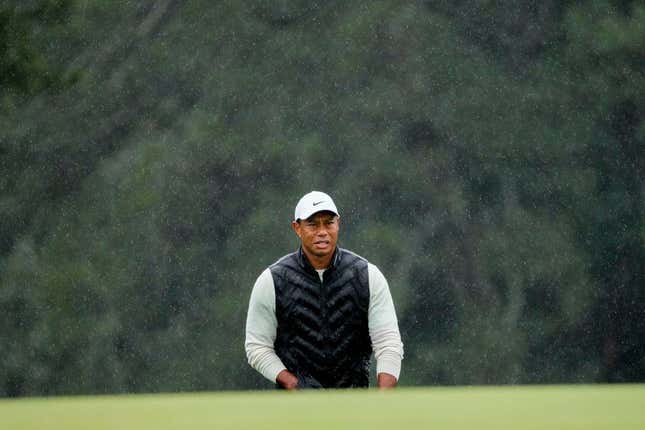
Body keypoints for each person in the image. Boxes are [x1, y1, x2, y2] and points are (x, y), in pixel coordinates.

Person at [245, 191, 403, 389]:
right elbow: (257, 347)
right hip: (294, 409)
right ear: (297, 228)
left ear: (338, 224)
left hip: (356, 405)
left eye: (329, 223)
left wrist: (382, 401)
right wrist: (296, 386)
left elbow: (388, 343)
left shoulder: (368, 276)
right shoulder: (272, 281)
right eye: (312, 224)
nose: (322, 231)